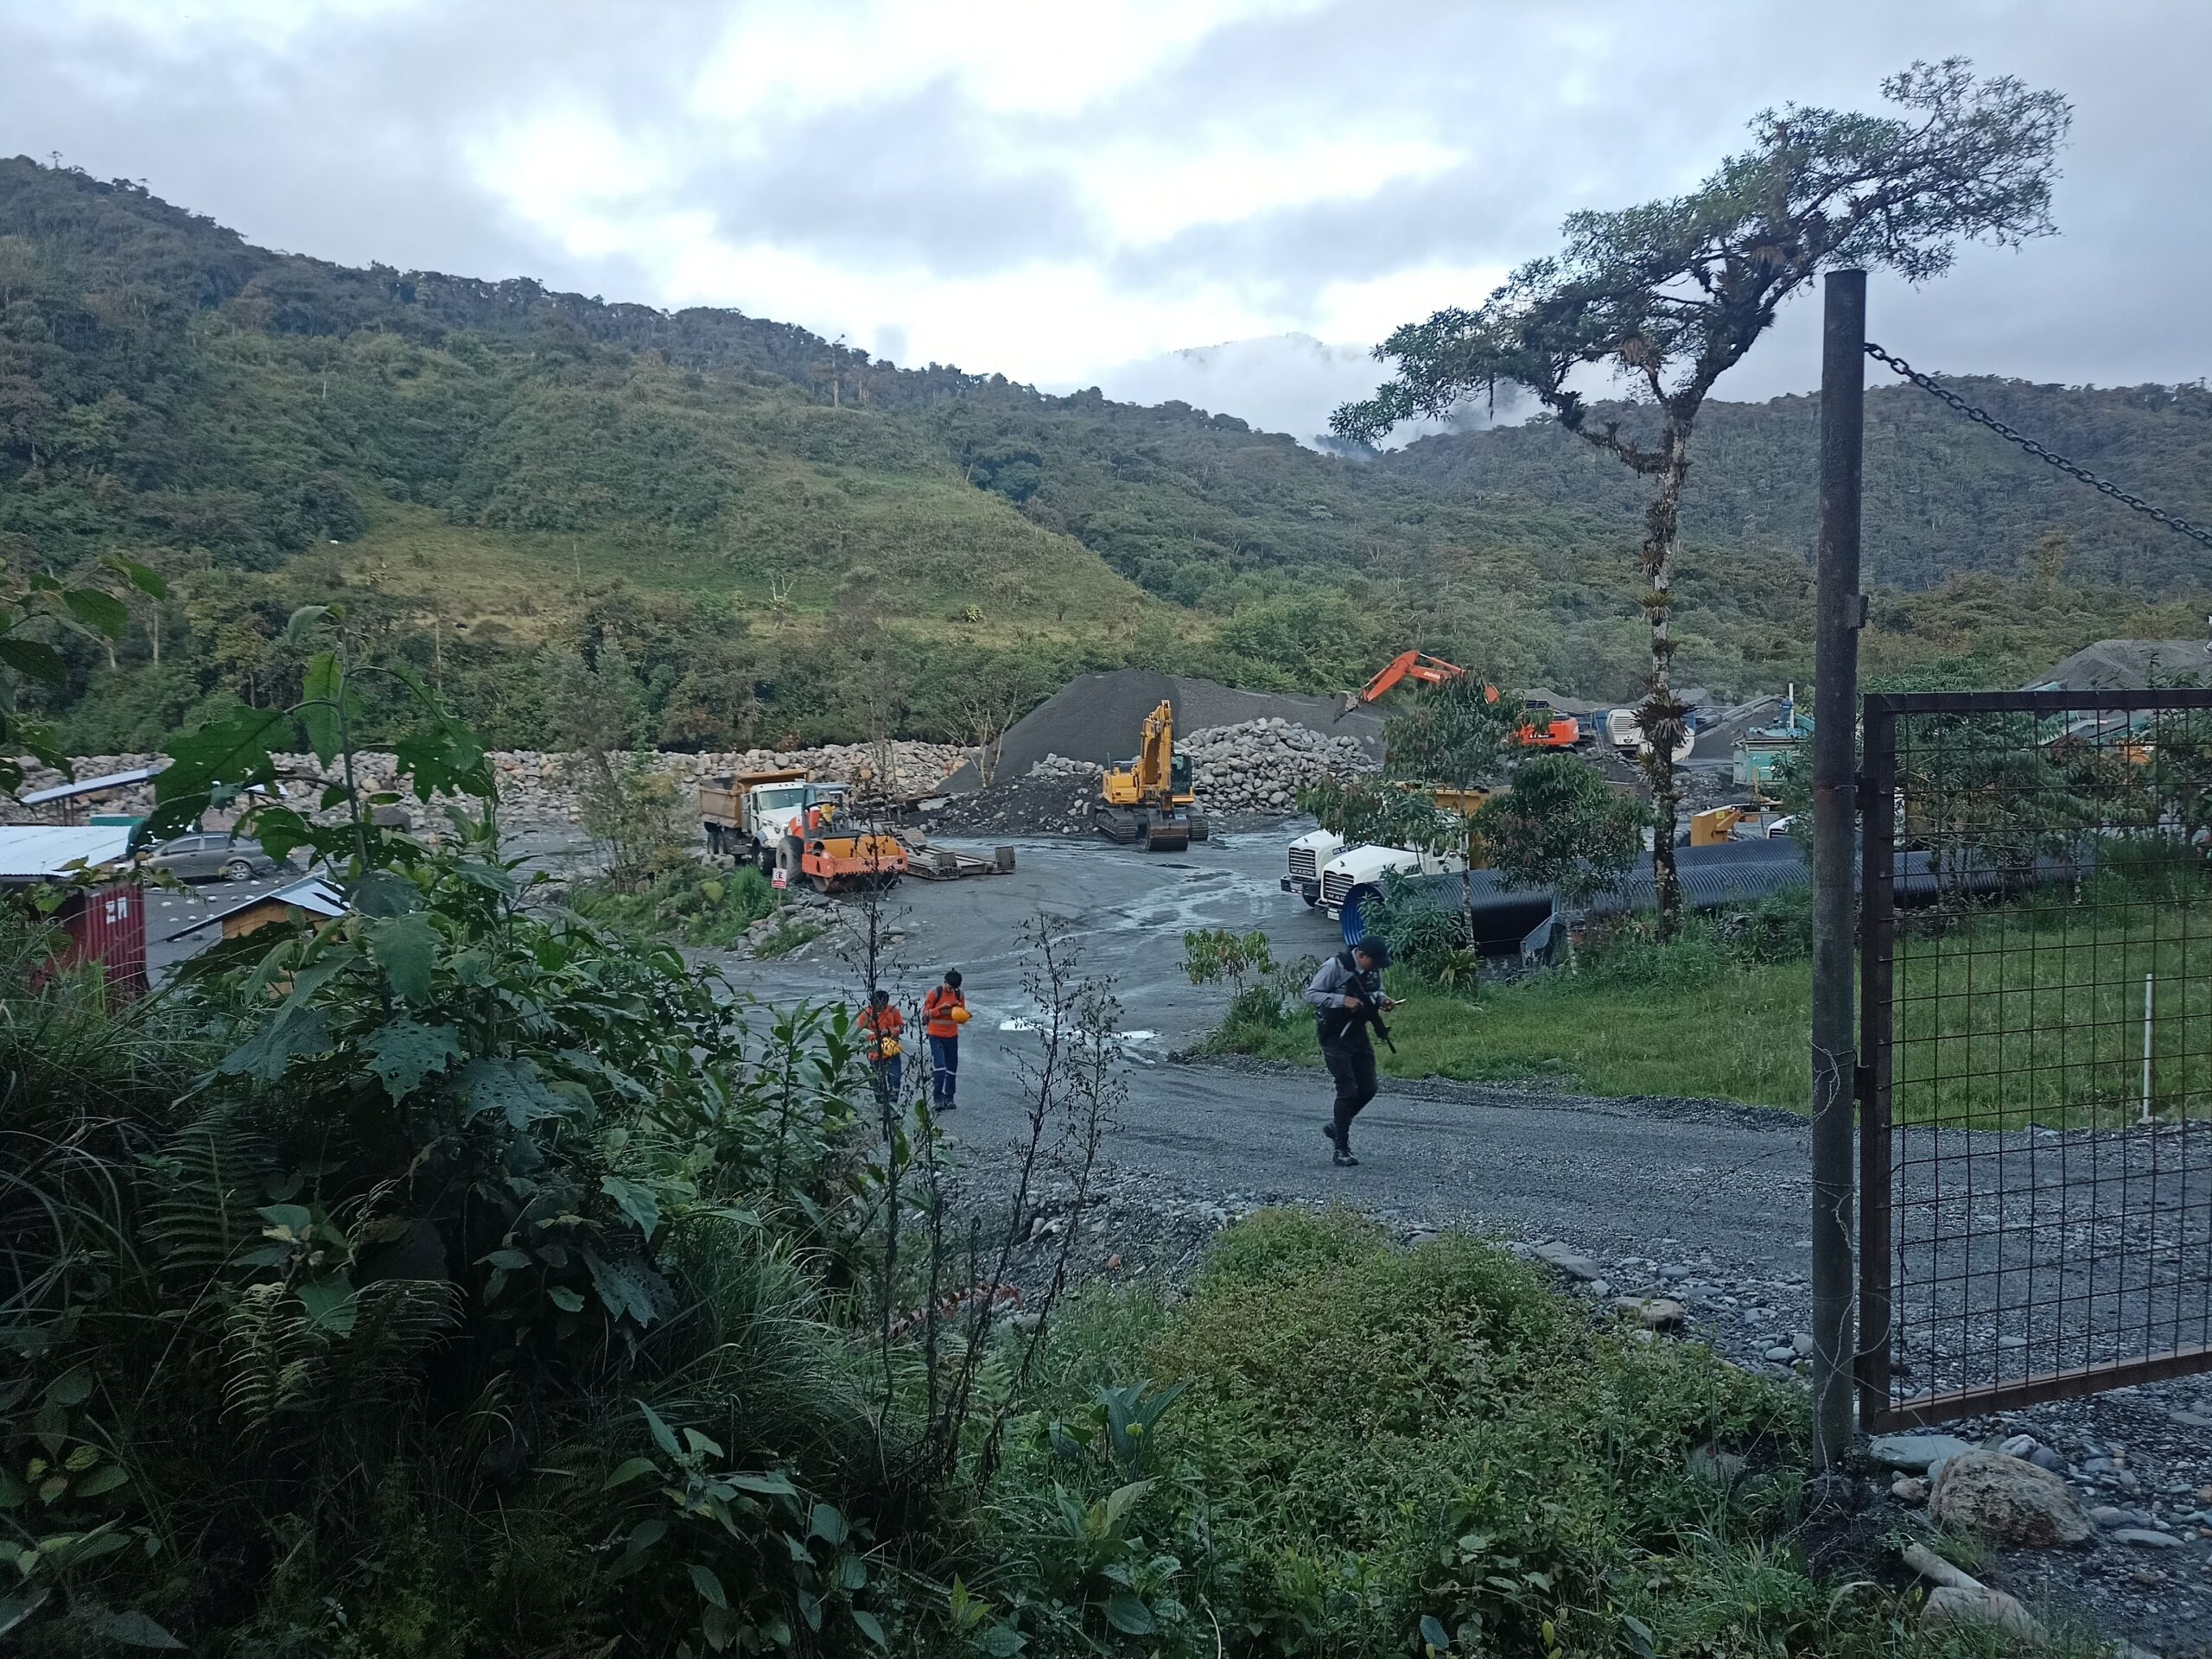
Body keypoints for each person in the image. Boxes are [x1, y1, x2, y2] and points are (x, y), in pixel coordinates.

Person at [1305, 938, 1394, 1166]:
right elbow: (1312, 994)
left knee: (1369, 1088)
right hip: (1334, 1036)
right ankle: (1341, 1149)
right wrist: (1342, 1000)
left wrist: (1383, 1001)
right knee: (1347, 1091)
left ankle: (1338, 1125)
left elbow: (1376, 991)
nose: (1377, 968)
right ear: (1361, 955)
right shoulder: (1334, 967)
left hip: (1358, 1033)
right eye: (1374, 962)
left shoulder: (1372, 970)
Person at [922, 969, 969, 1110]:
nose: (952, 990)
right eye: (950, 987)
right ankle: (938, 1098)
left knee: (952, 1068)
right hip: (935, 1035)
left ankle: (949, 1098)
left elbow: (962, 1019)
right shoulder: (935, 993)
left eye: (955, 988)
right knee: (940, 1066)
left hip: (952, 1036)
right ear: (945, 982)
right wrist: (941, 1008)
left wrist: (959, 1011)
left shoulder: (959, 994)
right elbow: (925, 1015)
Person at [859, 988, 904, 1102]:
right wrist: (876, 1036)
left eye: (884, 1004)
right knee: (878, 1082)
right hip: (875, 1052)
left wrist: (889, 1031)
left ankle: (894, 1103)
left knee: (895, 1078)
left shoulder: (893, 1011)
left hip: (891, 1050)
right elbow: (860, 1035)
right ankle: (880, 1105)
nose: (882, 1007)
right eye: (879, 1004)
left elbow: (901, 1027)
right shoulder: (865, 1015)